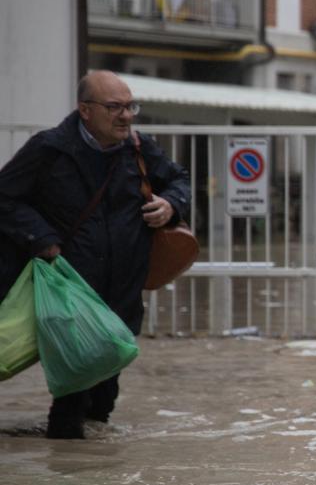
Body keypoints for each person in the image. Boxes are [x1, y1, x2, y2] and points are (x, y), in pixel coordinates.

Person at [0, 71, 191, 439]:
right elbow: (5, 197)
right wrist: (42, 240)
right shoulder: (49, 149)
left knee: (105, 388)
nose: (126, 116)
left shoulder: (138, 147)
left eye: (130, 106)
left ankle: (93, 459)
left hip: (122, 285)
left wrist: (171, 204)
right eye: (114, 107)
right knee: (75, 385)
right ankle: (69, 457)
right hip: (69, 286)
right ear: (85, 110)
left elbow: (179, 179)